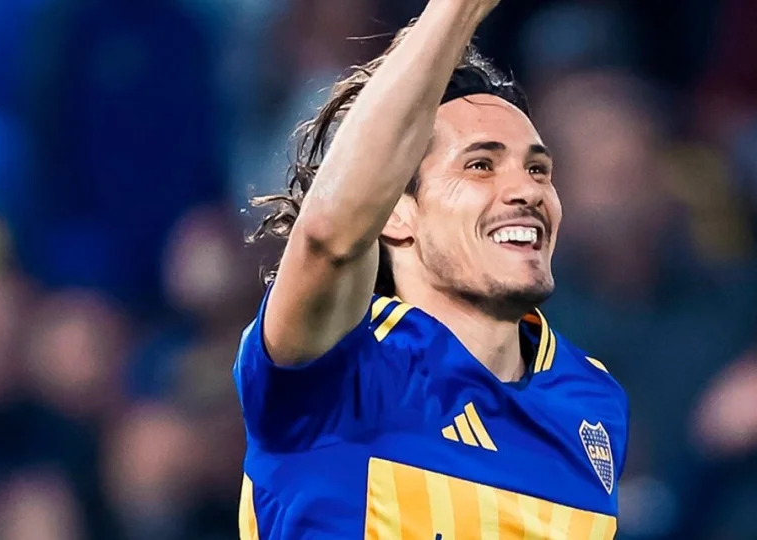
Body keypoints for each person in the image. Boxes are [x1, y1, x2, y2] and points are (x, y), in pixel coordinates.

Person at [234, 0, 629, 537]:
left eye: (539, 170)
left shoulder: (594, 401)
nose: (527, 190)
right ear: (394, 212)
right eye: (481, 165)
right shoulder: (334, 367)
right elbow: (329, 237)